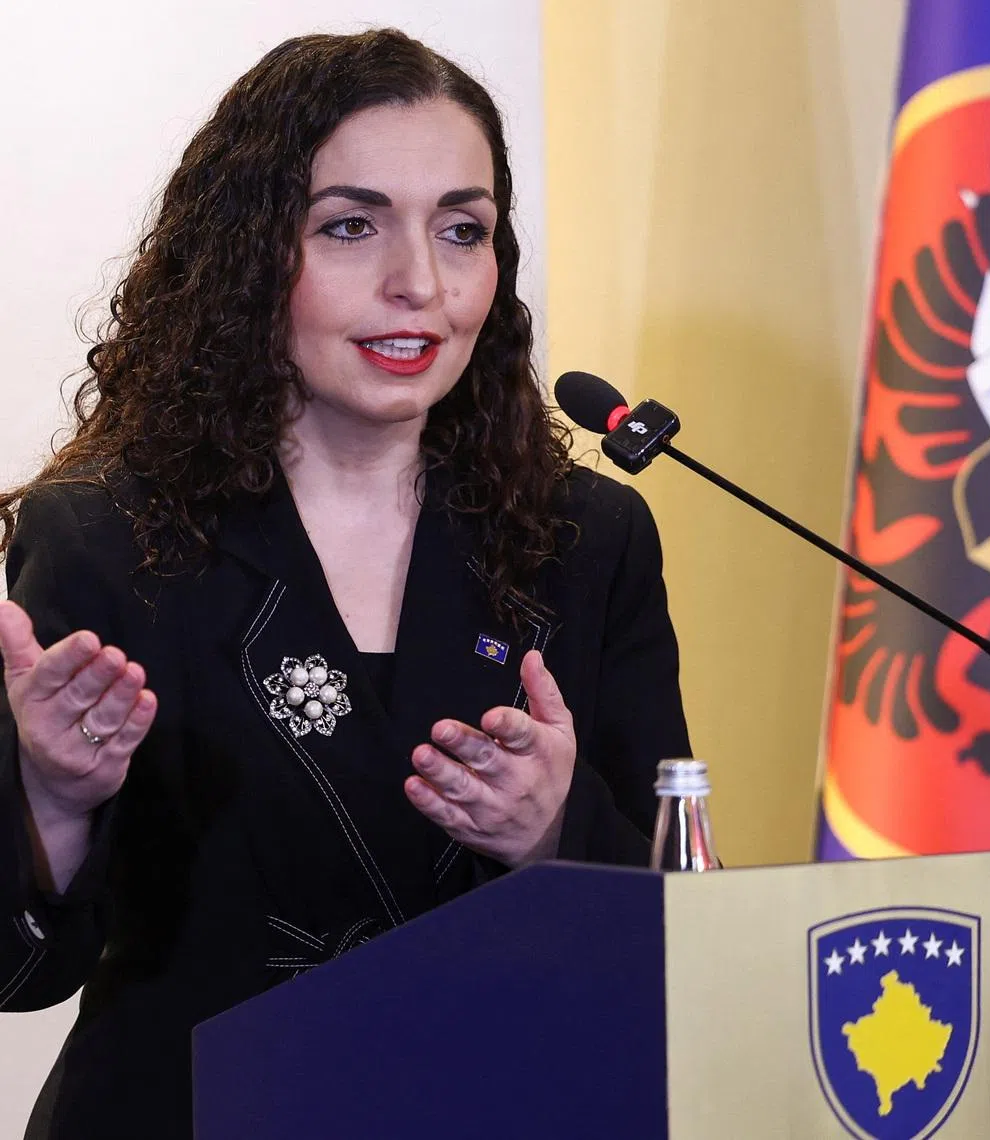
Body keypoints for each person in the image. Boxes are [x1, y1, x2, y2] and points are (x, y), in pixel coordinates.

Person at [0, 27, 689, 1140]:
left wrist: (558, 832)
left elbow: (686, 932)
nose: (419, 282)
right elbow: (22, 975)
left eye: (462, 229)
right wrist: (51, 800)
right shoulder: (104, 536)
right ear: (247, 255)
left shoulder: (586, 535)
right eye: (350, 226)